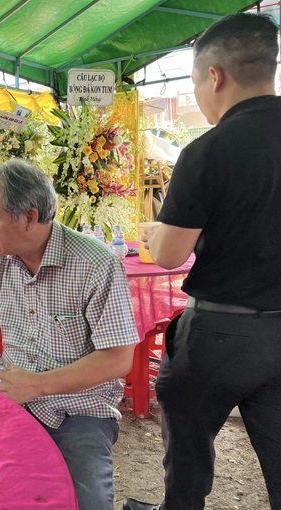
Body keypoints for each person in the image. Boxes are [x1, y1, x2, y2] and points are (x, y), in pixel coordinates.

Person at [124, 13, 281, 510]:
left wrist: (153, 232)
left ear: (215, 76)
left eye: (194, 83)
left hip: (219, 333)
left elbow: (170, 254)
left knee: (188, 463)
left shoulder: (207, 151)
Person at [0, 159, 139, 509]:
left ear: (29, 217)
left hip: (80, 411)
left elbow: (119, 358)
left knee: (84, 501)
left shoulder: (95, 264)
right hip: (14, 400)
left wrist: (38, 384)